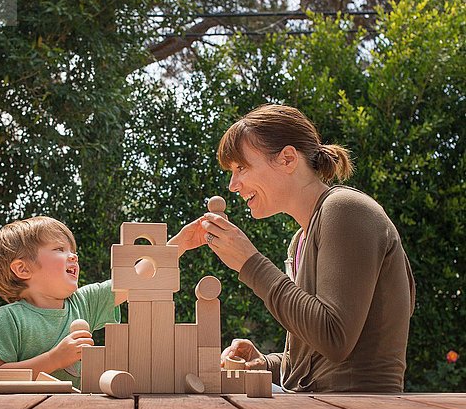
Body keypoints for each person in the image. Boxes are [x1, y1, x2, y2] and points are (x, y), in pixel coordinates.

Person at [173, 104, 415, 393]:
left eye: (241, 168)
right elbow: (315, 359)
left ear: (287, 159)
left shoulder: (346, 210)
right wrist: (265, 363)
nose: (233, 185)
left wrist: (250, 263)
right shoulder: (300, 239)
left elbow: (334, 337)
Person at [0, 216, 134, 387]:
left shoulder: (83, 302)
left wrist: (167, 253)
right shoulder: (10, 317)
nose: (74, 256)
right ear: (23, 269)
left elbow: (138, 276)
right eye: (59, 249)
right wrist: (53, 359)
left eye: (73, 251)